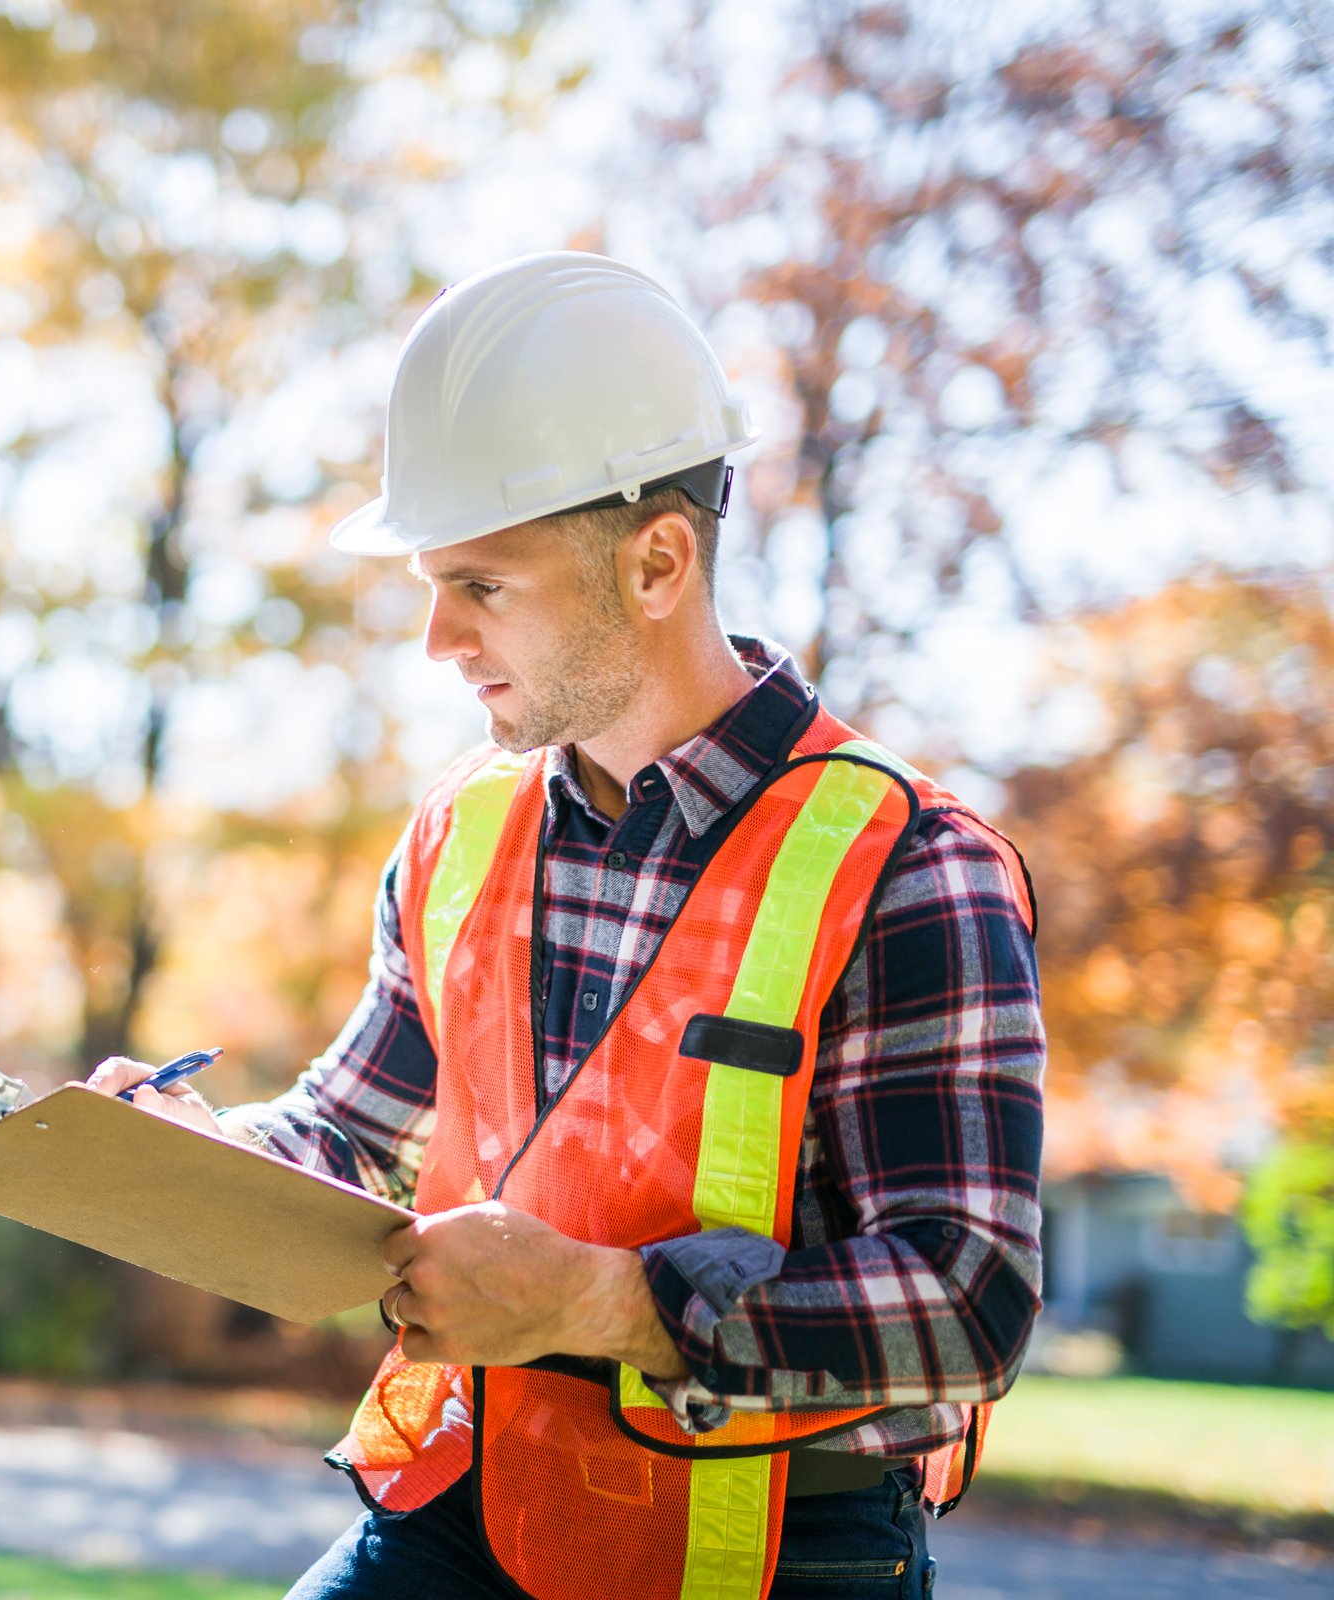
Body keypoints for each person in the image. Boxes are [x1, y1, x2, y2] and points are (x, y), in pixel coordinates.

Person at [85, 253, 1045, 1600]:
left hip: (772, 1541)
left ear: (659, 561)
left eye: (481, 586)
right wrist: (194, 1157)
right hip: (466, 1497)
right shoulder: (459, 836)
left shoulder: (910, 866)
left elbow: (968, 1301)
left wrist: (604, 1304)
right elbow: (354, 1136)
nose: (435, 638)